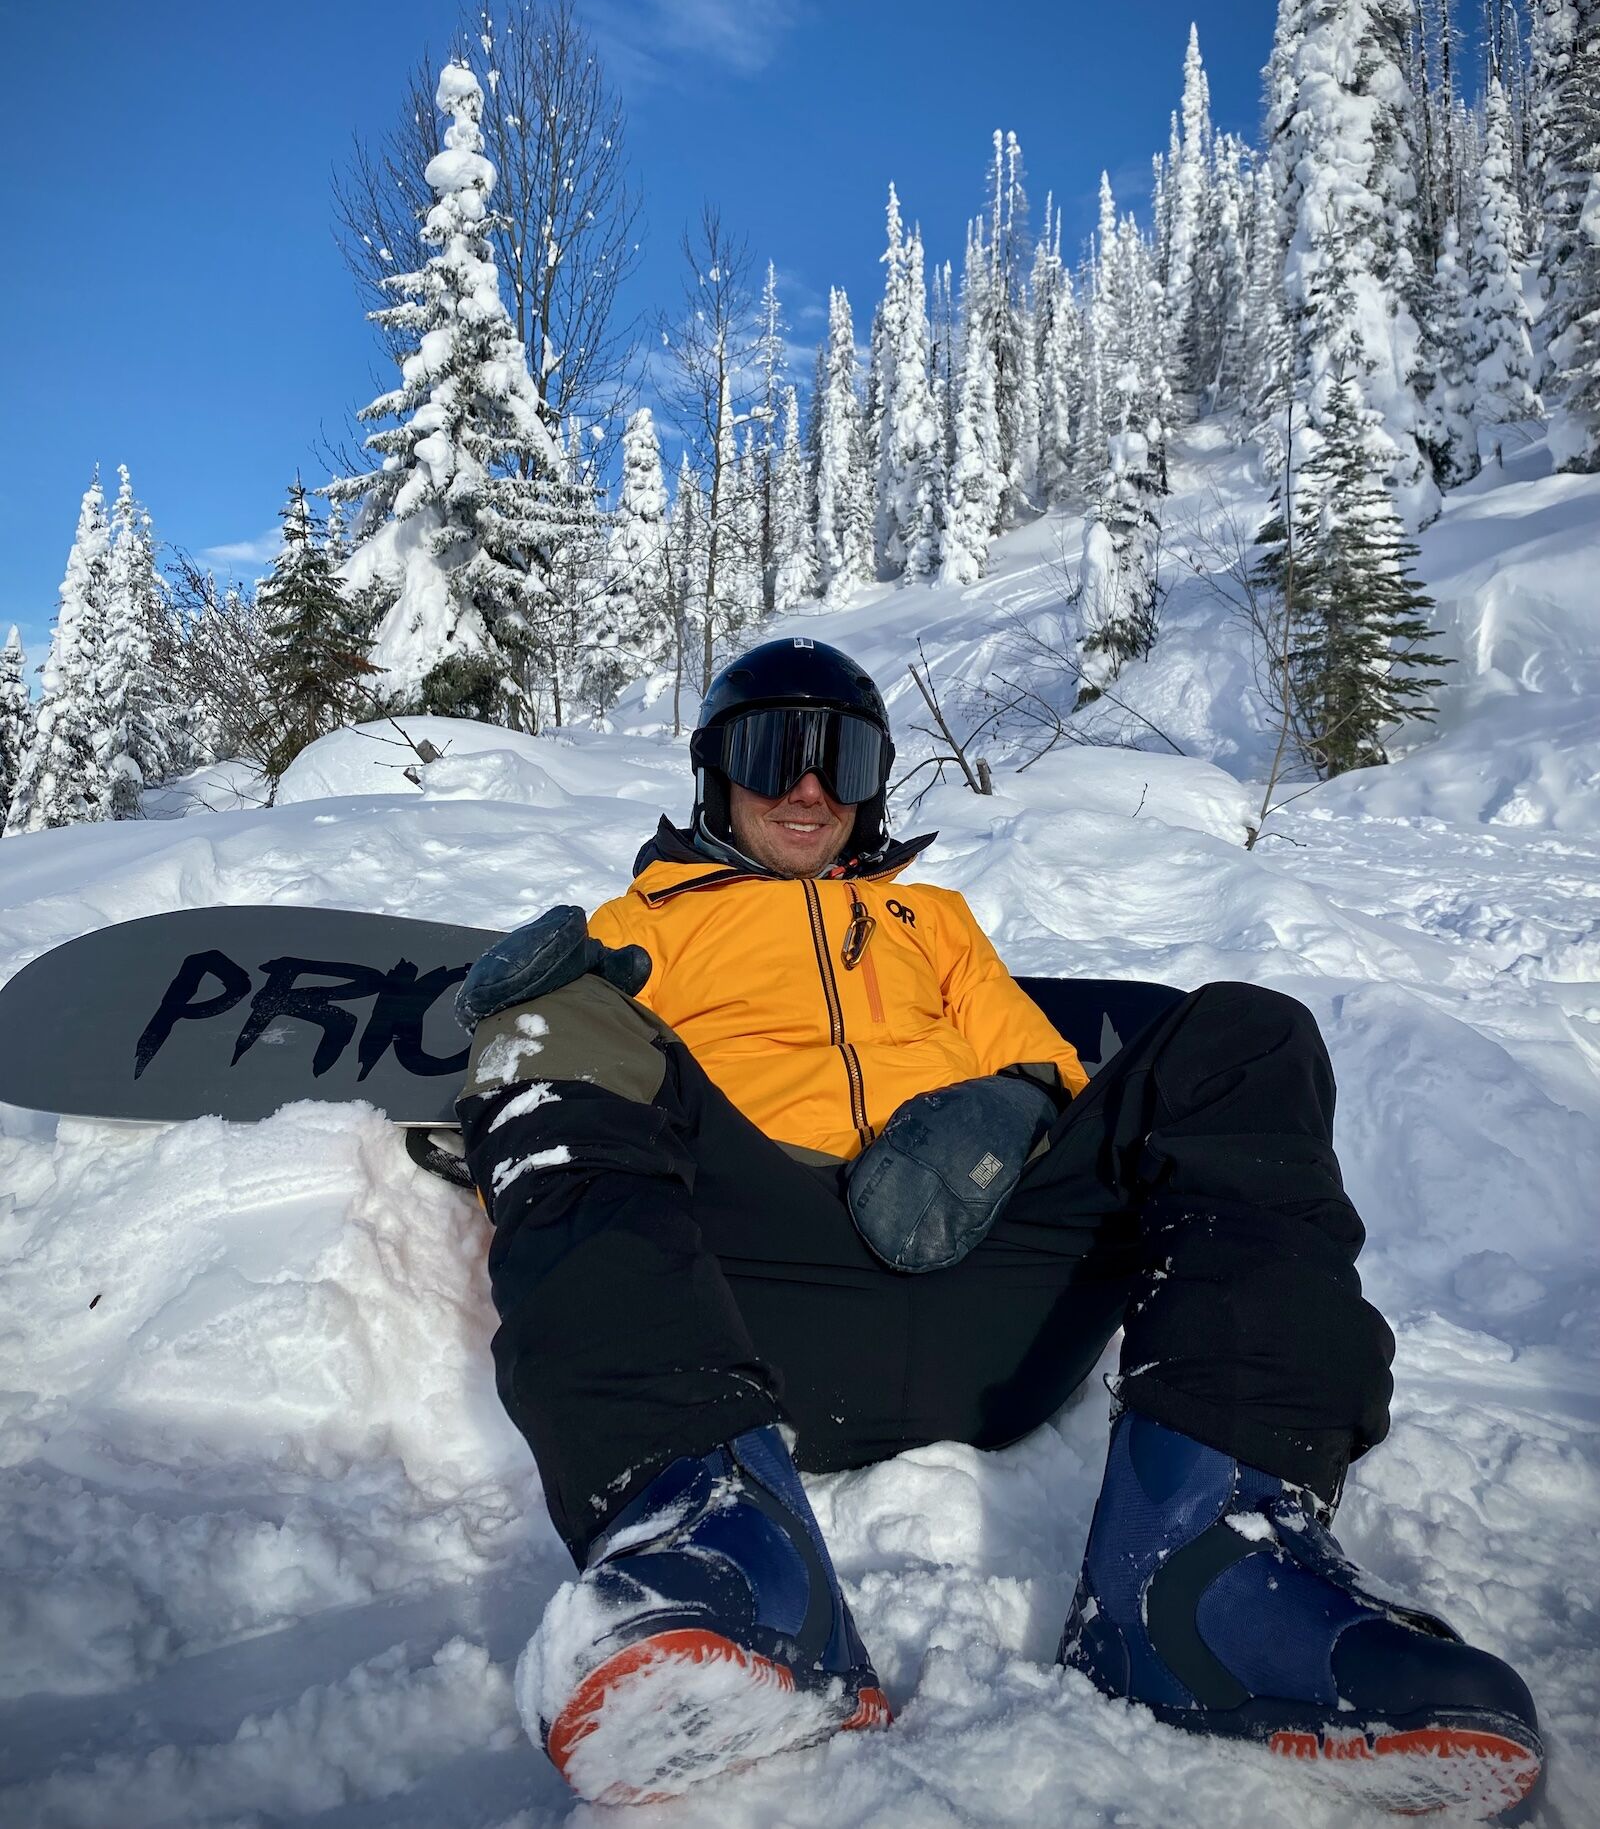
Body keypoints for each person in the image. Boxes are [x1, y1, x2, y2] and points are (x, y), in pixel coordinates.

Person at [454, 638, 1541, 1814]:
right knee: (548, 1019)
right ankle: (705, 1539)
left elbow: (1042, 1065)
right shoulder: (639, 928)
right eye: (776, 753)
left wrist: (994, 1108)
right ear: (717, 773)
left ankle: (1213, 1569)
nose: (810, 788)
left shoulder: (933, 921)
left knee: (1246, 1032)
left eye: (844, 757)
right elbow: (582, 1146)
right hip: (762, 1299)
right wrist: (544, 1036)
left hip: (999, 1287)